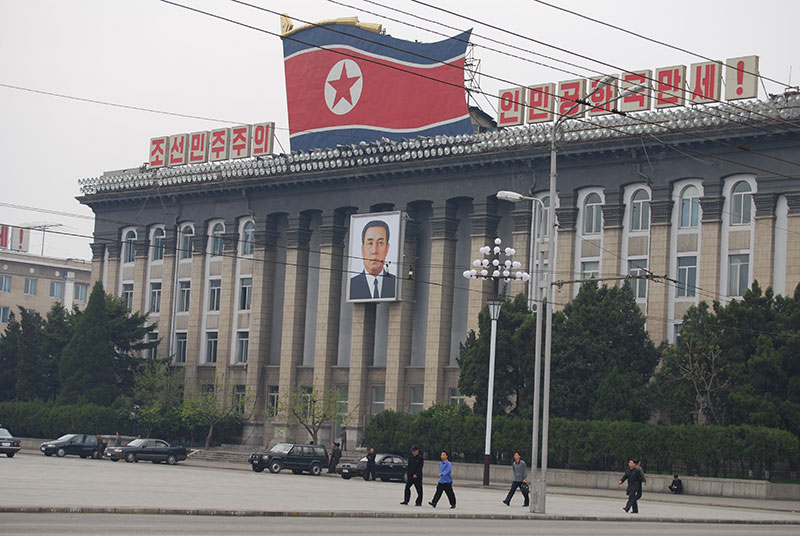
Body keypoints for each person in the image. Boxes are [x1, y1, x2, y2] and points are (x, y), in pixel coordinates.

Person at [349, 220, 396, 300]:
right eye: (370, 243)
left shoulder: (395, 283)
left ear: (387, 248)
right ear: (362, 249)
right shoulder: (352, 284)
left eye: (380, 243)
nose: (374, 251)